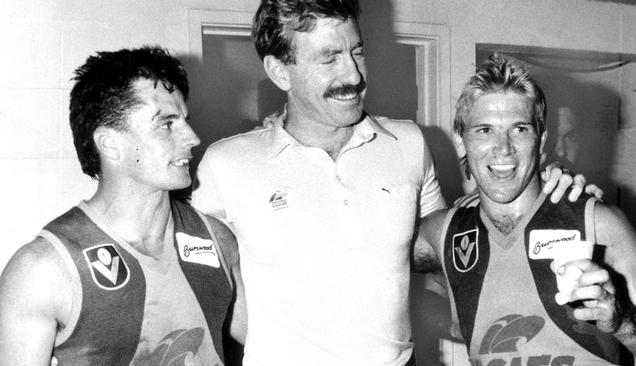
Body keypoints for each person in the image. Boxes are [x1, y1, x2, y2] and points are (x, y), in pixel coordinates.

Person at [192, 1, 591, 364]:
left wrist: (543, 193)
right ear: (280, 71)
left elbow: (448, 252)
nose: (353, 74)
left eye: (357, 52)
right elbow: (197, 282)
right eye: (329, 58)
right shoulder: (227, 164)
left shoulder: (409, 143)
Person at [0, 46, 246, 366]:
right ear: (111, 144)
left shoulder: (218, 240)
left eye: (185, 120)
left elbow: (278, 339)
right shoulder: (43, 269)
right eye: (167, 124)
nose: (192, 137)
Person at [419, 55, 636, 365]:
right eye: (484, 130)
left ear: (541, 141)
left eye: (519, 129)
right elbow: (362, 260)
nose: (503, 148)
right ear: (461, 142)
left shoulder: (600, 223)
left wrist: (622, 321)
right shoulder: (445, 232)